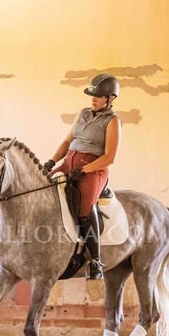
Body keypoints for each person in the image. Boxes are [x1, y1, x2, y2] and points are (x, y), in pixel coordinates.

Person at [44, 73, 122, 281]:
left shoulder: (113, 122)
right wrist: (52, 161)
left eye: (98, 96)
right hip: (69, 162)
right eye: (92, 96)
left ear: (110, 98)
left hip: (94, 169)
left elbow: (110, 156)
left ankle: (96, 260)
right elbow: (67, 141)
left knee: (85, 208)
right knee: (43, 188)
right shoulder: (83, 113)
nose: (93, 99)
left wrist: (85, 171)